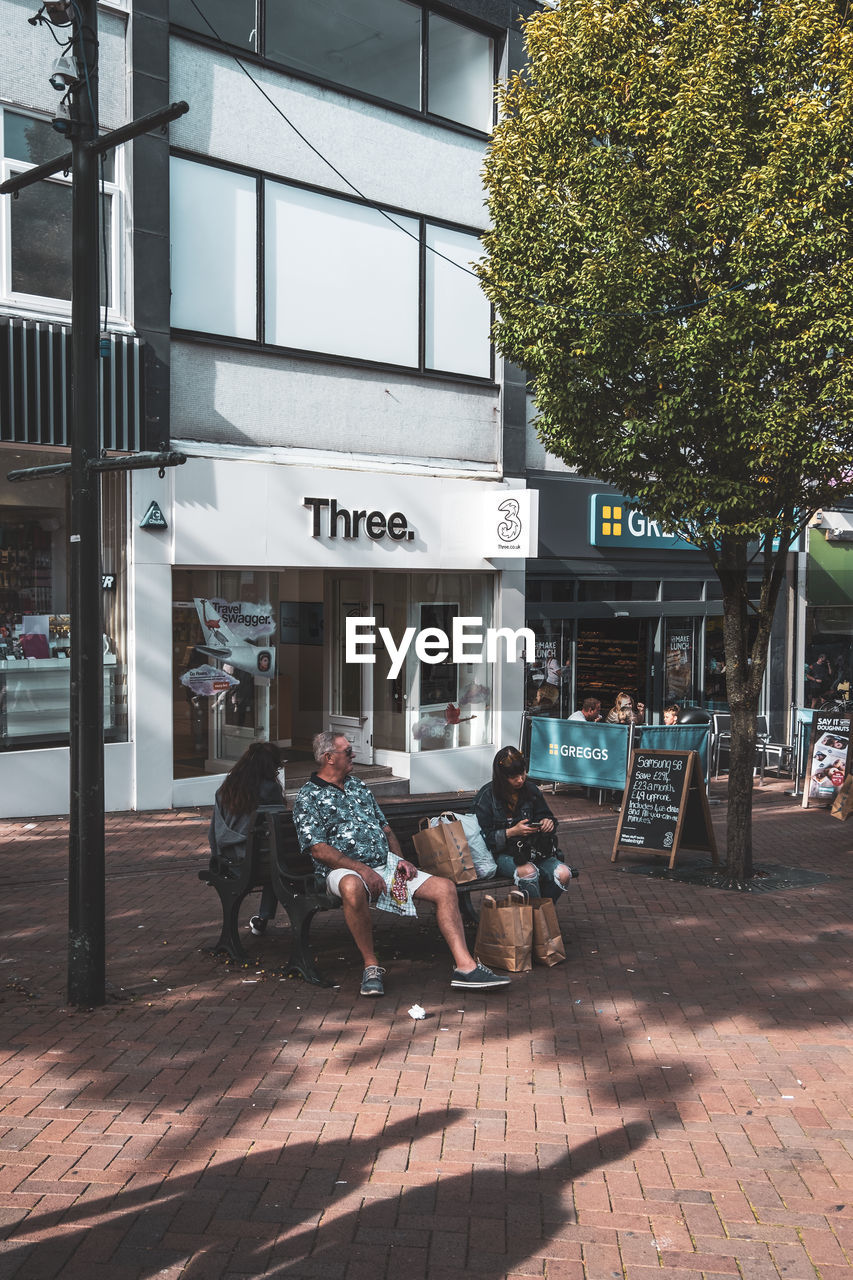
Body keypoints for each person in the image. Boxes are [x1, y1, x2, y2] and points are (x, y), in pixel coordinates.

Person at [293, 731, 510, 997]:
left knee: (445, 888)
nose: (354, 755)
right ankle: (371, 966)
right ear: (328, 758)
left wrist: (399, 860)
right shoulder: (308, 796)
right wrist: (362, 869)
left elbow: (385, 829)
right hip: (341, 870)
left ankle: (466, 968)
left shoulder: (358, 786)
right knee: (352, 886)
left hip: (383, 864)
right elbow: (318, 849)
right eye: (348, 751)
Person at [474, 746, 578, 901]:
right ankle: (539, 920)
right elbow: (481, 838)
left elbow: (547, 816)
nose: (520, 780)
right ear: (502, 776)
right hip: (500, 855)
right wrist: (511, 832)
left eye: (522, 773)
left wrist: (547, 823)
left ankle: (537, 916)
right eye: (514, 777)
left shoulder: (531, 790)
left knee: (564, 873)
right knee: (529, 872)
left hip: (533, 851)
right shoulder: (487, 795)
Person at [207, 740, 286, 936]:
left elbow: (215, 831)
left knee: (271, 859)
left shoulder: (227, 789)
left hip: (236, 862)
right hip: (270, 863)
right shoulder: (272, 790)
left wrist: (217, 858)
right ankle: (264, 917)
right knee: (274, 859)